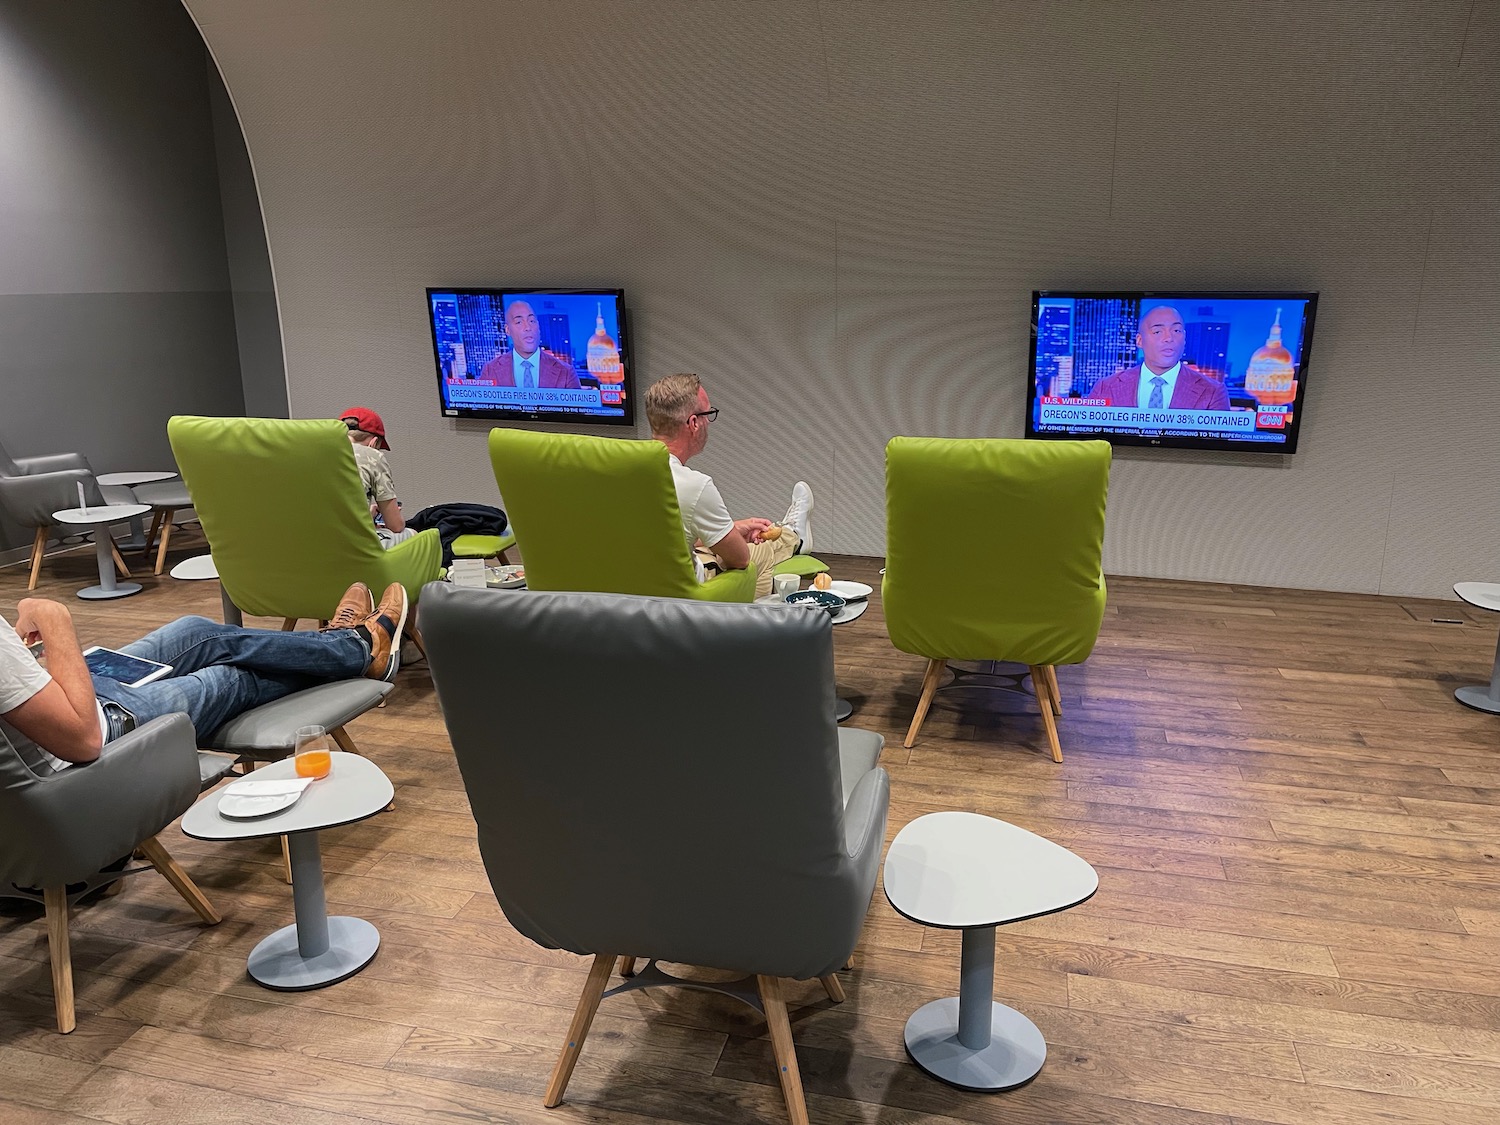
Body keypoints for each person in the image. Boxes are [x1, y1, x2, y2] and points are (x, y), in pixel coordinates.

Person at [0, 581, 407, 775]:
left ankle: (340, 646)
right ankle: (355, 648)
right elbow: (81, 741)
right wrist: (56, 621)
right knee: (233, 677)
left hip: (62, 696)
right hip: (101, 727)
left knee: (196, 631)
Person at [645, 373, 813, 598]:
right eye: (708, 414)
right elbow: (739, 559)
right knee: (757, 553)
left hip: (617, 601)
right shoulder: (695, 486)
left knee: (712, 545)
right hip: (682, 604)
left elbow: (665, 534)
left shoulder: (617, 472)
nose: (708, 423)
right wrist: (732, 537)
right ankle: (793, 536)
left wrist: (731, 528)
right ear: (694, 423)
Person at [1091, 305, 1231, 410]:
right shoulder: (1106, 387)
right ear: (1139, 341)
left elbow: (1219, 446)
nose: (1169, 338)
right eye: (1157, 331)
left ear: (1185, 339)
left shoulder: (1213, 392)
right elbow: (1089, 441)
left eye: (1176, 330)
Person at [341, 406, 416, 547]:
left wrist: (368, 515)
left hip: (306, 542)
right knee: (413, 536)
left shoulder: (316, 454)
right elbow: (395, 526)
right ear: (374, 442)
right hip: (349, 544)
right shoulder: (372, 456)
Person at [478, 301, 581, 389]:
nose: (528, 327)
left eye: (532, 321)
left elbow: (577, 411)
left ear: (538, 326)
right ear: (508, 330)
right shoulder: (490, 370)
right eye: (519, 322)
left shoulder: (566, 372)